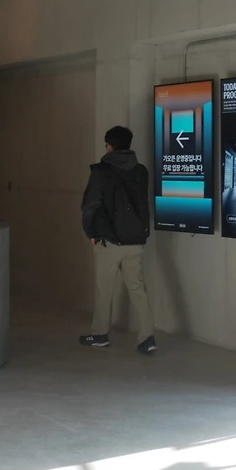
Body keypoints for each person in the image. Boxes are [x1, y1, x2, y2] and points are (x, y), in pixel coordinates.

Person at [79, 125, 157, 355]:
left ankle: (100, 334)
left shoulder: (101, 172)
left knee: (104, 289)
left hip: (109, 240)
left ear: (109, 146)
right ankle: (147, 337)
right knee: (138, 289)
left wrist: (91, 232)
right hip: (135, 240)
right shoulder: (141, 171)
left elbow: (90, 206)